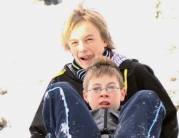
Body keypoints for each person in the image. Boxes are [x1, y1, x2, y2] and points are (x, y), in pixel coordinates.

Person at [29, 3, 178, 138]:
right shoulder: (62, 82)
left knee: (147, 97)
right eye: (74, 42)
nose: (82, 48)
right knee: (59, 91)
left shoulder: (133, 73)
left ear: (104, 40)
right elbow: (39, 131)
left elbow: (167, 118)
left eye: (89, 39)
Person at [42, 56, 166, 138]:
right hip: (80, 133)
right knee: (59, 89)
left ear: (122, 93)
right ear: (85, 95)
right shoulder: (76, 118)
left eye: (111, 87)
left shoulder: (131, 118)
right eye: (96, 89)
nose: (103, 93)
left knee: (147, 96)